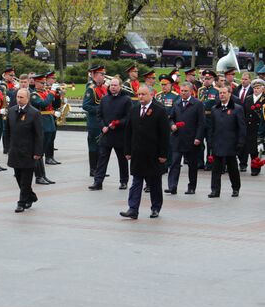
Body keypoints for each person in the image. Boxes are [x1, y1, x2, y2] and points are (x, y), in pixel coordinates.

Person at [120, 85, 169, 219]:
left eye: (143, 94)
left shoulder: (159, 111)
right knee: (136, 182)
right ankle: (133, 209)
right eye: (139, 94)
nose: (140, 97)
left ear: (151, 95)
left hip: (153, 155)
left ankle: (155, 208)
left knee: (154, 183)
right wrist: (127, 150)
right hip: (137, 154)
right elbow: (128, 132)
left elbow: (165, 135)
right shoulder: (134, 109)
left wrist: (163, 154)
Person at [88, 77, 131, 190]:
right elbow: (99, 115)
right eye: (111, 85)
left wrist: (117, 123)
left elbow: (128, 118)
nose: (113, 87)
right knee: (102, 159)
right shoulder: (105, 99)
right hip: (106, 135)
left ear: (120, 86)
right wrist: (102, 126)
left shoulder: (126, 100)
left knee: (122, 160)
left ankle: (123, 181)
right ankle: (98, 182)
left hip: (119, 135)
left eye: (115, 85)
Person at [6, 88, 43, 213]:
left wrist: (38, 152)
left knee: (26, 179)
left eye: (21, 97)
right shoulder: (11, 111)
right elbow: (7, 131)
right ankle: (31, 196)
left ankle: (21, 202)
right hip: (15, 150)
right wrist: (7, 147)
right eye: (17, 97)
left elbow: (39, 135)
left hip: (29, 151)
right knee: (18, 176)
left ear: (27, 98)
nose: (19, 99)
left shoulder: (34, 113)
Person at [166, 82, 205, 195]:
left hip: (191, 139)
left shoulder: (197, 104)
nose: (183, 93)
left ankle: (191, 187)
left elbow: (201, 123)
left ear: (191, 91)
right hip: (177, 138)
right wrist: (172, 125)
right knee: (174, 163)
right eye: (181, 91)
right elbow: (170, 118)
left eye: (185, 91)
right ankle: (172, 186)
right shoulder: (177, 103)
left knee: (192, 165)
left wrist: (198, 137)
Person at [208, 86, 246, 198]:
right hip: (217, 143)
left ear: (229, 94)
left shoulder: (237, 108)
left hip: (231, 143)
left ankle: (235, 188)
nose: (222, 95)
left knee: (232, 168)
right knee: (216, 169)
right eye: (220, 93)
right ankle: (215, 190)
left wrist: (240, 142)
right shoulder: (215, 108)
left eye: (224, 93)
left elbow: (242, 128)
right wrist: (210, 142)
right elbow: (211, 127)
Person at [30, 73, 57, 185]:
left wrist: (57, 94)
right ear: (36, 83)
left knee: (42, 151)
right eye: (42, 82)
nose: (44, 84)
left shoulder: (45, 92)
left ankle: (43, 175)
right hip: (41, 123)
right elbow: (44, 103)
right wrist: (51, 92)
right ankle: (38, 176)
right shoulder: (34, 95)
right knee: (39, 152)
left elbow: (53, 103)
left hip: (49, 122)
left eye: (44, 82)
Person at [83, 65, 108, 177]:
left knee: (101, 147)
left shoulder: (102, 88)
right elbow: (86, 106)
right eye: (101, 74)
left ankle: (99, 169)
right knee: (94, 146)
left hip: (102, 122)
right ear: (94, 75)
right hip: (94, 123)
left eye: (103, 74)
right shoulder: (91, 88)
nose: (103, 76)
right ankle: (93, 169)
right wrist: (100, 109)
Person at [198, 70, 220, 170]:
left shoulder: (216, 91)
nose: (206, 80)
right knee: (200, 141)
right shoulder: (200, 90)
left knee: (210, 142)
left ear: (213, 79)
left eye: (208, 79)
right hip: (201, 119)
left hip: (211, 119)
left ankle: (209, 162)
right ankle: (200, 162)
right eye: (204, 78)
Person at [242, 79, 264, 176]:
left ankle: (255, 168)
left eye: (258, 88)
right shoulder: (248, 98)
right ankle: (244, 164)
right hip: (248, 128)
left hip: (259, 128)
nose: (256, 90)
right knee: (248, 148)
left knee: (256, 149)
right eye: (254, 88)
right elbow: (244, 113)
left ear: (263, 89)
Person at [45, 71, 63, 165]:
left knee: (52, 136)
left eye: (54, 78)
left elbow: (56, 104)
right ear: (47, 79)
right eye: (52, 78)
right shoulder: (45, 90)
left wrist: (58, 95)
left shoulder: (53, 89)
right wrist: (52, 92)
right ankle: (48, 157)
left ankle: (51, 157)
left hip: (53, 115)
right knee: (48, 137)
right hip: (46, 115)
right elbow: (46, 103)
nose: (54, 80)